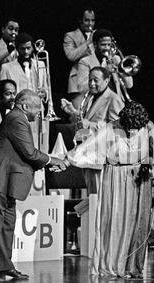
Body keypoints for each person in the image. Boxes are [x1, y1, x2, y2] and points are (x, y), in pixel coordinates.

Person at [0, 89, 68, 283]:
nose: (40, 112)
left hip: (6, 181)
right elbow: (29, 152)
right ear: (25, 106)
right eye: (37, 108)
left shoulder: (17, 118)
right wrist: (52, 160)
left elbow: (20, 154)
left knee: (6, 225)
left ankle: (3, 266)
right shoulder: (17, 119)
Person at [66, 101, 154, 278]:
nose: (133, 132)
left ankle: (132, 267)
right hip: (115, 177)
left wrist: (150, 165)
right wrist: (67, 160)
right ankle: (111, 265)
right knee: (114, 220)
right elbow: (88, 147)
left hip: (140, 179)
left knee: (138, 223)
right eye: (129, 128)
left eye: (137, 128)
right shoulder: (110, 128)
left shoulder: (148, 127)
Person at [61, 66, 124, 194]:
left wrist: (89, 124)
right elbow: (86, 121)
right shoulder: (89, 96)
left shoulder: (113, 98)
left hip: (103, 159)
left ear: (107, 81)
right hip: (89, 155)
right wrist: (74, 113)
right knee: (93, 197)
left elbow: (116, 128)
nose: (92, 84)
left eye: (96, 80)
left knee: (100, 198)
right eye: (90, 80)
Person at [0, 32, 50, 153]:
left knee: (39, 146)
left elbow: (46, 89)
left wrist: (45, 94)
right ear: (17, 49)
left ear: (33, 47)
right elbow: (3, 94)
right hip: (18, 113)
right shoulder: (7, 67)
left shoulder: (41, 64)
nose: (26, 52)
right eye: (22, 49)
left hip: (38, 112)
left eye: (28, 48)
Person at [76, 29, 133, 102]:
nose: (107, 48)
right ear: (95, 45)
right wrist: (104, 71)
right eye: (103, 44)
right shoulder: (85, 62)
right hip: (96, 105)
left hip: (116, 104)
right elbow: (82, 88)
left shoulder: (116, 59)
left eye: (109, 44)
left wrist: (121, 71)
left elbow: (129, 85)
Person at [64, 8, 96, 99]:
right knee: (78, 113)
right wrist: (89, 41)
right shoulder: (70, 36)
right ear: (80, 21)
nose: (90, 24)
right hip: (78, 82)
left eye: (92, 20)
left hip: (98, 81)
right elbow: (71, 55)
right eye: (87, 20)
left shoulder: (98, 35)